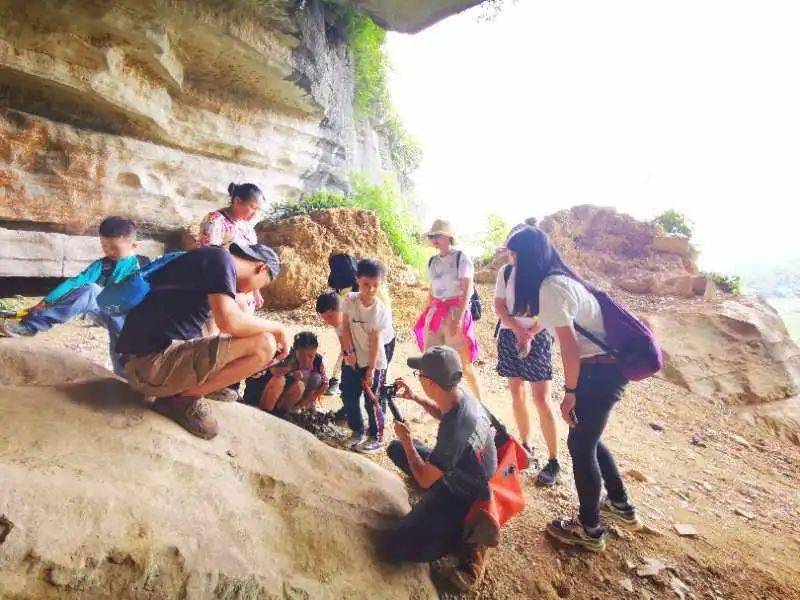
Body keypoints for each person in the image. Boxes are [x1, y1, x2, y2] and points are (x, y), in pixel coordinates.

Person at [505, 226, 640, 552]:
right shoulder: (562, 280)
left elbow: (570, 348)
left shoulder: (551, 288)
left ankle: (590, 529)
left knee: (580, 446)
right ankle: (619, 504)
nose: (511, 262)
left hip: (598, 373)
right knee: (588, 438)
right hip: (605, 369)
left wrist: (569, 392)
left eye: (513, 256)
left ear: (526, 257)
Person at [116, 242, 289, 440]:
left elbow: (223, 321)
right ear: (261, 268)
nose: (252, 292)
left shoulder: (214, 259)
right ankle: (182, 399)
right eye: (262, 284)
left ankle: (197, 383)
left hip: (143, 361)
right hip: (150, 366)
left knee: (234, 311)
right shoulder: (221, 261)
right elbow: (229, 322)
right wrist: (279, 328)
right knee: (265, 344)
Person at [384, 346, 497, 592]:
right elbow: (443, 413)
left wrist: (407, 440)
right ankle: (436, 513)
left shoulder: (455, 428)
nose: (419, 378)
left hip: (464, 492)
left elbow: (424, 479)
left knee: (393, 546)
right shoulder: (462, 396)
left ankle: (464, 541)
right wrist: (415, 397)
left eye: (420, 375)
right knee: (396, 449)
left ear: (432, 382)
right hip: (464, 467)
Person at [0, 216, 149, 376]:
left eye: (114, 248)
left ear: (133, 246)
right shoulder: (102, 265)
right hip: (110, 312)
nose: (108, 252)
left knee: (123, 364)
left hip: (134, 321)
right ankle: (31, 327)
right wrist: (47, 301)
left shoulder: (145, 266)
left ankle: (126, 383)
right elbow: (76, 282)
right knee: (91, 290)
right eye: (104, 246)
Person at [494, 224, 561, 487]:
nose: (511, 256)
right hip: (511, 335)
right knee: (515, 391)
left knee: (541, 398)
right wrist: (517, 331)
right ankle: (525, 444)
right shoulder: (506, 271)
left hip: (538, 335)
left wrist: (530, 333)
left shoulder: (548, 277)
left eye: (515, 252)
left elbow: (550, 312)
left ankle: (554, 459)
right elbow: (499, 305)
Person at [198, 182, 266, 401]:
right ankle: (201, 384)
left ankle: (226, 383)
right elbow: (210, 259)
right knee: (213, 336)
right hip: (219, 290)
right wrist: (229, 292)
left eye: (258, 209)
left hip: (243, 294)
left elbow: (254, 262)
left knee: (238, 338)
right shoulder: (214, 221)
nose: (254, 213)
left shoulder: (248, 229)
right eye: (251, 207)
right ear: (237, 201)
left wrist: (255, 290)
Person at [414, 219, 481, 399]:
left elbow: (467, 290)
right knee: (431, 361)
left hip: (454, 312)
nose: (434, 239)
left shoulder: (461, 258)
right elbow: (432, 290)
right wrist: (426, 312)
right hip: (436, 313)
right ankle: (437, 401)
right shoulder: (433, 261)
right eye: (432, 236)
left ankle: (480, 404)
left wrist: (458, 318)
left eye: (437, 235)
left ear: (448, 237)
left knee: (463, 364)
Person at [340, 259, 395, 454]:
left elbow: (376, 342)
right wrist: (349, 352)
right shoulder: (349, 300)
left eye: (375, 285)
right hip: (352, 357)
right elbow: (344, 328)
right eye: (366, 284)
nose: (371, 289)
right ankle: (357, 431)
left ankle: (376, 436)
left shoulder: (380, 310)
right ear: (358, 280)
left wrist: (371, 369)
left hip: (373, 360)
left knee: (372, 400)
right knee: (348, 394)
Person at [243, 331, 328, 414]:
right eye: (302, 354)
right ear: (295, 350)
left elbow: (325, 383)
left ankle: (282, 413)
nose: (306, 359)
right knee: (279, 380)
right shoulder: (284, 354)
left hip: (283, 396)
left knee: (303, 384)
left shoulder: (317, 360)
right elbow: (273, 371)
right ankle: (265, 412)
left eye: (310, 356)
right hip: (260, 391)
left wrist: (311, 399)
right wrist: (291, 371)